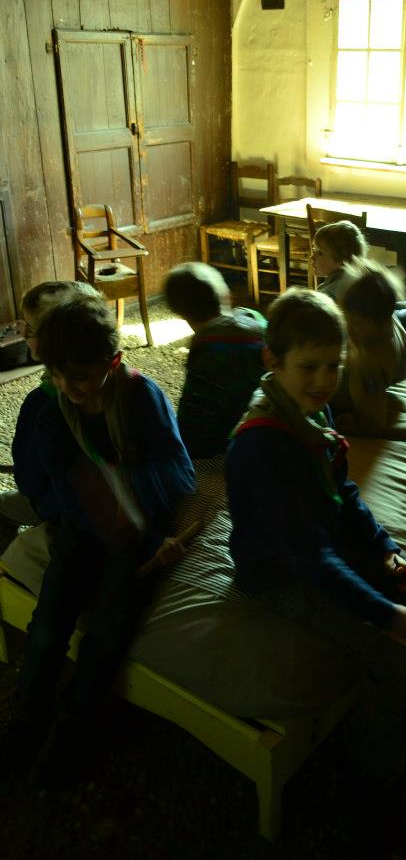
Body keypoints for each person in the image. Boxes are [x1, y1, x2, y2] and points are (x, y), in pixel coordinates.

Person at [225, 288, 406, 828]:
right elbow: (304, 557)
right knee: (397, 657)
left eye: (333, 366)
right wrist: (381, 613)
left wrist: (385, 552)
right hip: (279, 572)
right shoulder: (262, 444)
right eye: (308, 367)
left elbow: (344, 495)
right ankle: (369, 788)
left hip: (323, 545)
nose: (324, 379)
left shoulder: (314, 412)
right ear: (272, 360)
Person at [0, 294, 195, 785]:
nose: (69, 388)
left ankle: (73, 730)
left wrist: (137, 517)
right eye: (56, 375)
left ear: (113, 362)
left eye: (81, 377)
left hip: (137, 535)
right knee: (48, 625)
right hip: (82, 528)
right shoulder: (48, 408)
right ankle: (27, 717)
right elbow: (56, 493)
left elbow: (178, 472)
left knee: (106, 634)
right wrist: (95, 510)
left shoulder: (143, 396)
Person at [0, 280, 102, 553]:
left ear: (50, 338)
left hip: (72, 515)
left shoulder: (40, 404)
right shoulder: (123, 379)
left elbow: (28, 482)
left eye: (30, 328)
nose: (24, 334)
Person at [164, 262, 266, 458]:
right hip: (280, 424)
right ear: (227, 295)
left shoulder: (208, 351)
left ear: (179, 313)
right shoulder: (256, 319)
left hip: (242, 447)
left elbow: (194, 428)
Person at [332, 257, 406, 434]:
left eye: (356, 323)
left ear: (381, 323)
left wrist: (360, 425)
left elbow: (374, 422)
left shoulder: (369, 360)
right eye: (346, 318)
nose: (349, 327)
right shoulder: (383, 318)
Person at [312, 220, 368, 301]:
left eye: (320, 253)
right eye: (314, 250)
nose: (312, 257)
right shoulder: (353, 283)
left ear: (342, 261)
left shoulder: (329, 295)